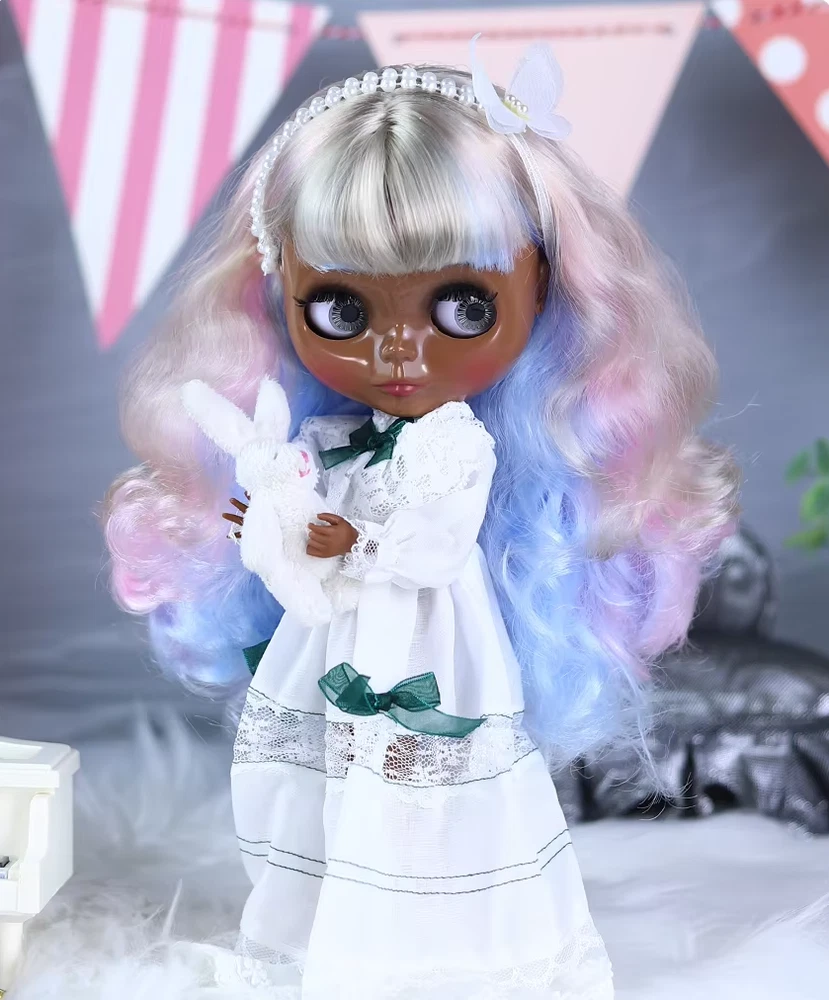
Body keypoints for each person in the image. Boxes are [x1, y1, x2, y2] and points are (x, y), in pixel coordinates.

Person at [103, 38, 738, 999]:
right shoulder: (327, 442)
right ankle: (332, 933)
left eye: (461, 307)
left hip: (430, 640)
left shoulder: (455, 447)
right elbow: (301, 554)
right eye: (341, 311)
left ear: (543, 286)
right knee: (323, 782)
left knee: (431, 786)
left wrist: (352, 541)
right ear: (280, 296)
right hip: (338, 639)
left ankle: (439, 947)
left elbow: (434, 547)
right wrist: (269, 529)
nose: (398, 350)